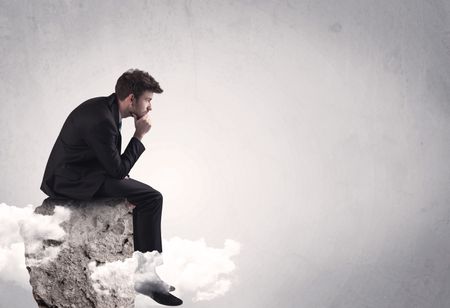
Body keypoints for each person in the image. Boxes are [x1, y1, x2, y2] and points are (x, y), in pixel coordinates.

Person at [40, 68, 182, 306]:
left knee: (142, 196)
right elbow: (116, 170)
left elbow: (112, 162)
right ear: (131, 99)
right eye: (147, 100)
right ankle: (147, 279)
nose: (150, 107)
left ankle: (148, 276)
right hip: (71, 180)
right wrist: (139, 136)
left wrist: (122, 181)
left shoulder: (107, 109)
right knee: (152, 198)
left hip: (84, 171)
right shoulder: (103, 119)